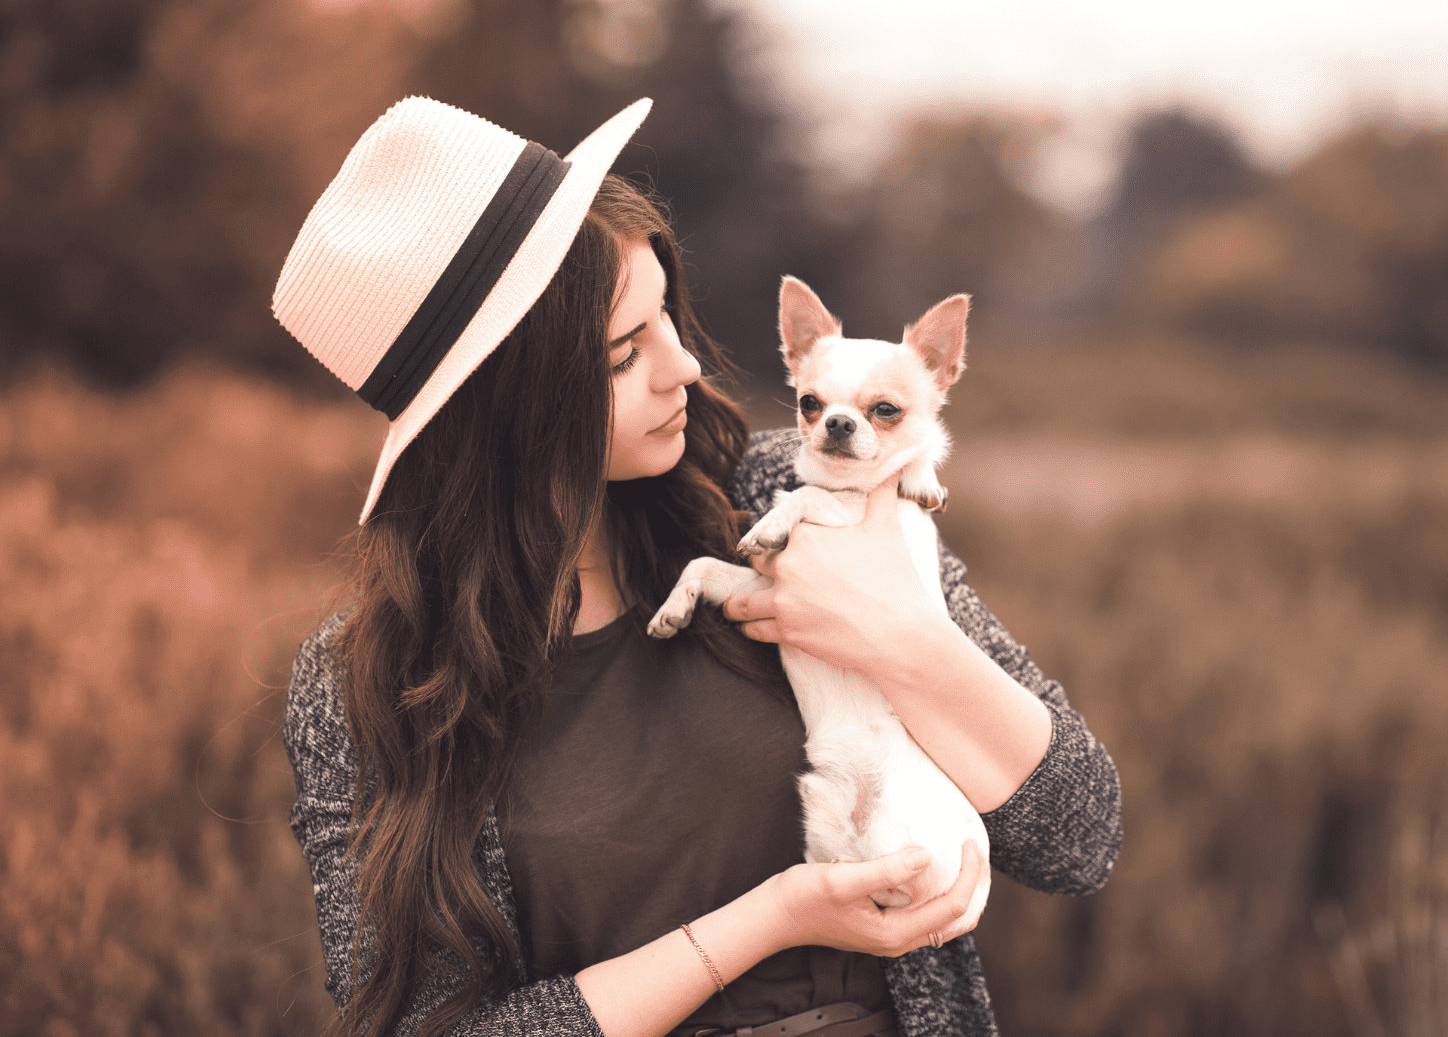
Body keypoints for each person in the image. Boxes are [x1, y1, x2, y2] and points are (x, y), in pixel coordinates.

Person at [277, 96, 1121, 1037]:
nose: (684, 366)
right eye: (624, 353)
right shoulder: (364, 685)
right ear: (506, 407)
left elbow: (1078, 834)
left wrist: (896, 637)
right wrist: (774, 920)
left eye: (668, 315)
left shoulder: (785, 495)